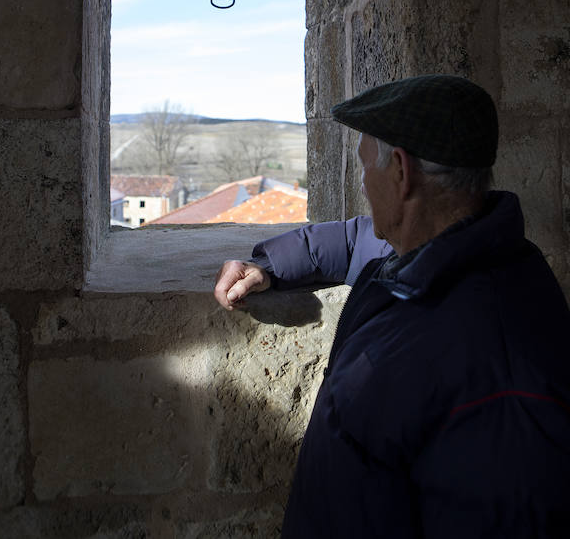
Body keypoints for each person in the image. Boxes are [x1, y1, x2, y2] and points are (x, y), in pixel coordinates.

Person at [214, 74, 570, 538]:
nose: (363, 185)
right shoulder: (432, 243)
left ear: (401, 173)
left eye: (366, 167)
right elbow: (350, 238)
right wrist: (268, 266)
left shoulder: (501, 372)